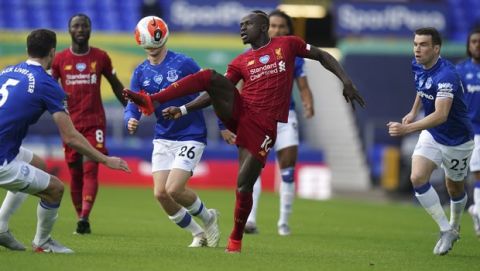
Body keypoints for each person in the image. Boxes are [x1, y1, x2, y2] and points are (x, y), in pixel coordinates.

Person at [123, 10, 365, 253]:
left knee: (243, 185)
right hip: (240, 113)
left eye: (247, 24)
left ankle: (236, 238)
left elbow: (322, 55)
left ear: (262, 27)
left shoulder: (288, 45)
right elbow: (214, 91)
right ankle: (152, 99)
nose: (242, 28)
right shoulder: (240, 61)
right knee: (210, 77)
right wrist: (184, 109)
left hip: (264, 126)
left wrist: (346, 81)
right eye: (240, 24)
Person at [0, 29, 130, 253]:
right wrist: (105, 159)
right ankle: (42, 242)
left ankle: (1, 225)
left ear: (27, 50)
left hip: (7, 147)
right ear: (52, 53)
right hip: (2, 159)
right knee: (56, 188)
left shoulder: (7, 71)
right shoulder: (47, 84)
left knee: (38, 165)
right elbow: (70, 137)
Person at [124, 16, 220, 248]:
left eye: (156, 44)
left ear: (163, 38)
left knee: (174, 189)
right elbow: (133, 103)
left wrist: (224, 125)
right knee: (161, 194)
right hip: (163, 137)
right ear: (140, 41)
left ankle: (209, 218)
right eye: (148, 44)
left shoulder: (184, 63)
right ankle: (198, 234)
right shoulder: (140, 72)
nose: (152, 49)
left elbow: (211, 88)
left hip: (191, 133)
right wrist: (131, 119)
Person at [387, 27, 473, 256]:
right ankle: (447, 230)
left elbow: (441, 115)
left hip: (457, 141)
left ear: (436, 48)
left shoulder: (447, 75)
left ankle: (455, 224)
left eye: (423, 44)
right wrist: (413, 111)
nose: (417, 48)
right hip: (433, 134)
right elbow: (421, 87)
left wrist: (407, 128)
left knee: (454, 187)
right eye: (415, 44)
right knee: (417, 177)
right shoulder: (418, 64)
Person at [50, 14, 127, 234]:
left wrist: (131, 109)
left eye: (84, 25)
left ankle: (85, 216)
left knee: (91, 167)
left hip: (95, 123)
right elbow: (48, 89)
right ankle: (80, 218)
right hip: (70, 125)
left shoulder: (101, 57)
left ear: (90, 29)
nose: (81, 29)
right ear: (69, 30)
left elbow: (115, 85)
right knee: (74, 172)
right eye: (76, 26)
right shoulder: (59, 60)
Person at [456, 27, 480, 236]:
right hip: (470, 130)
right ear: (468, 44)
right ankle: (477, 210)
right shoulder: (461, 71)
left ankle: (476, 210)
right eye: (474, 41)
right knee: (475, 172)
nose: (477, 45)